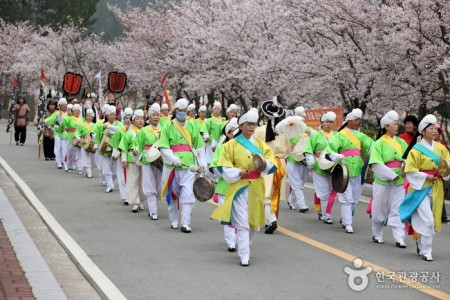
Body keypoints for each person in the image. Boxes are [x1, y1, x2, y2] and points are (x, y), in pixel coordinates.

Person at [211, 108, 277, 266]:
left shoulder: (261, 144)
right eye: (248, 124)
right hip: (238, 186)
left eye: (254, 124)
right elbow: (223, 165)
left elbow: (270, 162)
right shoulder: (230, 146)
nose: (252, 127)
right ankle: (244, 255)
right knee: (242, 223)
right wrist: (236, 172)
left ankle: (243, 245)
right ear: (240, 126)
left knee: (254, 224)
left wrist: (263, 164)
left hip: (256, 186)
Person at [399, 114, 450, 261]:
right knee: (427, 219)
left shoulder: (441, 148)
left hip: (436, 187)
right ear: (422, 131)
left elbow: (447, 165)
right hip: (420, 188)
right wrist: (426, 177)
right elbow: (410, 170)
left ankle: (420, 241)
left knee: (431, 218)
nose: (434, 130)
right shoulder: (416, 150)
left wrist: (444, 172)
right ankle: (427, 251)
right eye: (431, 128)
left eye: (435, 128)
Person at [159, 98, 205, 232]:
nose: (182, 113)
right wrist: (173, 159)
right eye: (180, 110)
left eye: (185, 111)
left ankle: (186, 223)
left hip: (188, 167)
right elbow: (163, 146)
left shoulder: (192, 126)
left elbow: (199, 146)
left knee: (187, 194)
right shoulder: (168, 126)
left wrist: (201, 162)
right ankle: (173, 220)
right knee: (172, 194)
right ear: (175, 111)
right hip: (172, 167)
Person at [325, 108, 373, 233]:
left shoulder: (360, 136)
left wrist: (376, 151)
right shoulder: (340, 135)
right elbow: (330, 149)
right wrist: (334, 155)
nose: (359, 122)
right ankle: (348, 223)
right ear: (349, 121)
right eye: (356, 120)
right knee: (347, 198)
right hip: (344, 171)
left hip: (357, 170)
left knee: (355, 197)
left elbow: (371, 146)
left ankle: (345, 218)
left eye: (359, 120)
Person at [368, 111, 408, 247]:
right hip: (384, 180)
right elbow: (376, 163)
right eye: (394, 124)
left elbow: (408, 159)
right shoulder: (378, 143)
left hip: (400, 179)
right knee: (380, 207)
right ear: (386, 126)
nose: (397, 127)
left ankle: (399, 237)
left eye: (397, 124)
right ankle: (377, 234)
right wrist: (391, 174)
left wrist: (404, 166)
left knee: (398, 208)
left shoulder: (402, 142)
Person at [253, 97, 290, 234]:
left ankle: (271, 219)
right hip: (280, 163)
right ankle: (270, 220)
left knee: (264, 193)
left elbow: (254, 148)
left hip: (266, 162)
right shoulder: (284, 132)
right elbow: (287, 151)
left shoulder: (259, 131)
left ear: (264, 115)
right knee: (275, 191)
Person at [210, 117, 239, 251]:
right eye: (234, 131)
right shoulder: (221, 148)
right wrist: (230, 175)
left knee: (240, 215)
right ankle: (230, 241)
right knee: (226, 214)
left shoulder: (246, 148)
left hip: (242, 187)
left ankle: (239, 238)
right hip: (225, 187)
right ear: (228, 134)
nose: (237, 133)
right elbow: (215, 167)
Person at [304, 111, 337, 224]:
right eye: (327, 122)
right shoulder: (316, 135)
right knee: (324, 191)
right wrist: (310, 158)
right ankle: (326, 214)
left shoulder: (336, 135)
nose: (329, 124)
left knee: (332, 190)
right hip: (319, 166)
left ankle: (323, 211)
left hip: (333, 166)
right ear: (322, 123)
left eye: (331, 122)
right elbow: (308, 149)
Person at [137, 103, 162, 220]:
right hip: (147, 159)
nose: (156, 117)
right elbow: (138, 145)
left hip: (161, 161)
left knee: (159, 186)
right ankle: (153, 211)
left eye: (158, 115)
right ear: (149, 117)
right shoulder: (143, 130)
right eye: (153, 115)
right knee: (149, 183)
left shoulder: (164, 129)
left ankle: (152, 205)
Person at [119, 109, 145, 213]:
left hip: (143, 159)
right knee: (132, 181)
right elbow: (124, 147)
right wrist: (124, 160)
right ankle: (134, 202)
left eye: (142, 119)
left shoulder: (145, 131)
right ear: (133, 121)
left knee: (142, 181)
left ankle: (141, 200)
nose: (140, 121)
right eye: (137, 119)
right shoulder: (128, 133)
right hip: (131, 159)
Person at [109, 107, 132, 204]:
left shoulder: (136, 131)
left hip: (132, 157)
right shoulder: (120, 130)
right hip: (121, 155)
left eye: (130, 118)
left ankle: (133, 197)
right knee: (122, 176)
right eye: (126, 118)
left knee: (132, 178)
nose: (128, 120)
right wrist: (115, 153)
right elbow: (115, 142)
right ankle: (125, 197)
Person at [45, 97, 68, 169]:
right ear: (59, 106)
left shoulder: (68, 114)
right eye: (62, 104)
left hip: (65, 134)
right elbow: (50, 119)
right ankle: (58, 163)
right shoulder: (57, 113)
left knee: (65, 149)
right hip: (57, 133)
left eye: (65, 104)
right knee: (58, 148)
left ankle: (65, 162)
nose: (64, 106)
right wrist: (44, 121)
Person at [74, 108, 96, 178]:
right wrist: (79, 139)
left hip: (93, 143)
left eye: (90, 116)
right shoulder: (82, 125)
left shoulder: (95, 125)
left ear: (92, 117)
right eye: (87, 116)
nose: (88, 117)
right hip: (85, 143)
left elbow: (97, 134)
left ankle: (89, 169)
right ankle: (88, 172)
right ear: (85, 117)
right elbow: (76, 133)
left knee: (93, 159)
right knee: (85, 157)